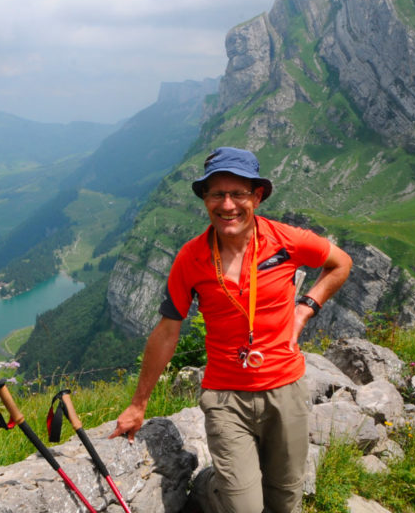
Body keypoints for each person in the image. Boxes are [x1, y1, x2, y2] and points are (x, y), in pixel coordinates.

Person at [108, 146, 352, 513]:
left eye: (238, 193)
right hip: (226, 397)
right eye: (217, 194)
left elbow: (340, 263)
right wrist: (137, 404)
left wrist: (305, 309)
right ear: (205, 199)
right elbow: (166, 331)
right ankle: (208, 486)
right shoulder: (190, 259)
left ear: (257, 196)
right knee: (244, 509)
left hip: (285, 388)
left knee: (286, 501)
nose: (227, 205)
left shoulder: (287, 241)